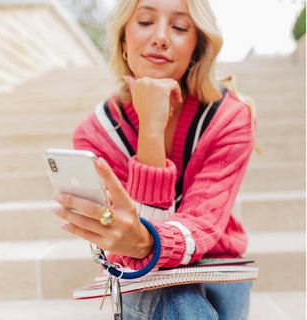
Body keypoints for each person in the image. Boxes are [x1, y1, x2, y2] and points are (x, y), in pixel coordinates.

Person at [52, 0, 258, 319]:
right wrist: (150, 128)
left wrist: (142, 240)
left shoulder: (229, 118)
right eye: (145, 22)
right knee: (181, 305)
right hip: (144, 281)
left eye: (179, 27)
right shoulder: (95, 133)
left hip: (215, 265)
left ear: (198, 48)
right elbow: (130, 248)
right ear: (123, 40)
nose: (161, 37)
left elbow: (185, 227)